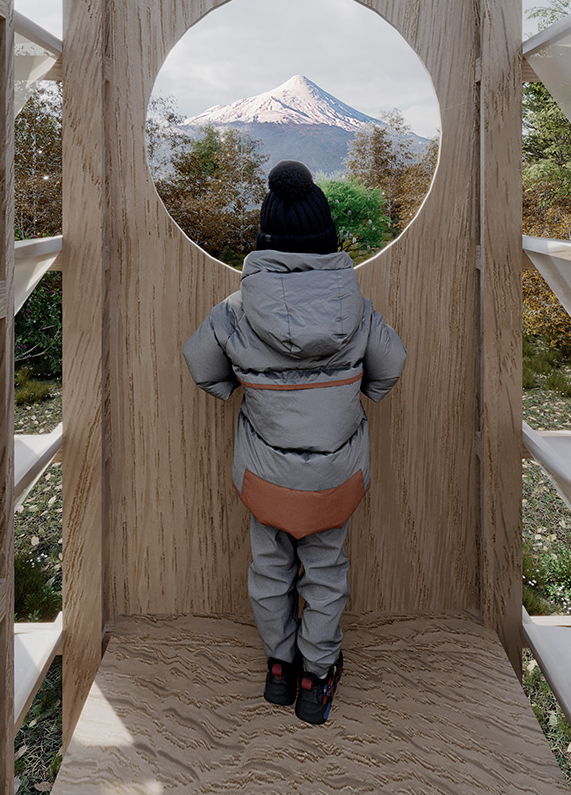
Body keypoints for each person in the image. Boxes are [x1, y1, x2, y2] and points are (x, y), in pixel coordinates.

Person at [183, 160, 406, 725]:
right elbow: (391, 366)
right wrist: (363, 392)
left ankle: (279, 668)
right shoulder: (355, 309)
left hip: (265, 477)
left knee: (268, 569)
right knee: (327, 573)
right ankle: (315, 678)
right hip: (336, 478)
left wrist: (238, 384)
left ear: (264, 237)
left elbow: (203, 371)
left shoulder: (234, 311)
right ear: (327, 234)